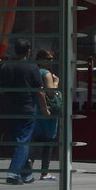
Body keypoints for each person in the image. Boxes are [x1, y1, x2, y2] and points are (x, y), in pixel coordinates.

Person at [0, 37, 47, 185]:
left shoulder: (6, 66)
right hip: (27, 109)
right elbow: (40, 91)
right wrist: (45, 109)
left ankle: (27, 175)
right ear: (29, 51)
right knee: (23, 141)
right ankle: (13, 173)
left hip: (10, 109)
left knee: (19, 141)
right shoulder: (32, 67)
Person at [32, 48, 60, 180]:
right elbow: (50, 92)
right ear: (41, 60)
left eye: (52, 58)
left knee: (35, 139)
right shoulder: (46, 73)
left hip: (35, 108)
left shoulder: (34, 71)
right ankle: (45, 172)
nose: (51, 61)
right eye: (48, 59)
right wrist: (56, 82)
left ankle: (28, 167)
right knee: (48, 141)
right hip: (46, 110)